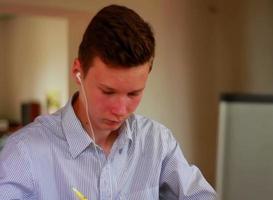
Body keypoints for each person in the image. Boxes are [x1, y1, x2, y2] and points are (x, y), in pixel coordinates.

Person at [0, 4, 216, 200]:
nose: (121, 110)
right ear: (78, 72)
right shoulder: (24, 152)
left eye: (133, 94)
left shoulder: (158, 143)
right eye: (107, 92)